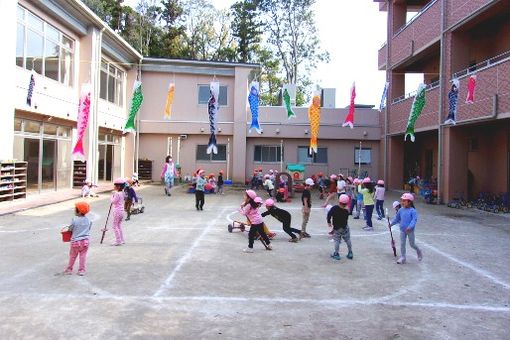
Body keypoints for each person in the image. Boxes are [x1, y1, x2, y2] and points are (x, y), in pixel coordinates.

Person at [390, 193, 423, 264]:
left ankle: (418, 250)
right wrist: (391, 224)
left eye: (404, 201)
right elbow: (397, 218)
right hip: (402, 230)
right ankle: (403, 257)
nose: (402, 202)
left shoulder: (413, 211)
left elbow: (414, 220)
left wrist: (410, 227)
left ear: (409, 202)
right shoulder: (401, 210)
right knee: (402, 244)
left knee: (412, 244)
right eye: (402, 200)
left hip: (410, 231)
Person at [63, 201, 92, 276]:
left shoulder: (74, 220)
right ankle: (81, 270)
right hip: (85, 241)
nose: (74, 210)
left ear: (78, 211)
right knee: (83, 256)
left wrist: (69, 230)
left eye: (75, 209)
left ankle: (69, 269)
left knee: (72, 256)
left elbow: (70, 229)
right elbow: (88, 229)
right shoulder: (89, 220)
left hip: (76, 242)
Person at [327, 194, 353, 261]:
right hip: (345, 227)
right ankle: (350, 252)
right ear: (347, 202)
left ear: (339, 201)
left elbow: (329, 214)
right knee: (348, 240)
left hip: (337, 228)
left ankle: (336, 254)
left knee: (337, 241)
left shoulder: (334, 208)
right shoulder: (347, 210)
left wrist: (329, 222)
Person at [110, 178, 125, 246]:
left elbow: (113, 201)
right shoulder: (122, 193)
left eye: (115, 185)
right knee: (119, 225)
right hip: (121, 211)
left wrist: (111, 196)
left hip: (117, 211)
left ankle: (118, 240)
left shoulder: (117, 194)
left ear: (118, 186)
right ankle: (122, 240)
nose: (114, 187)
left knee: (114, 226)